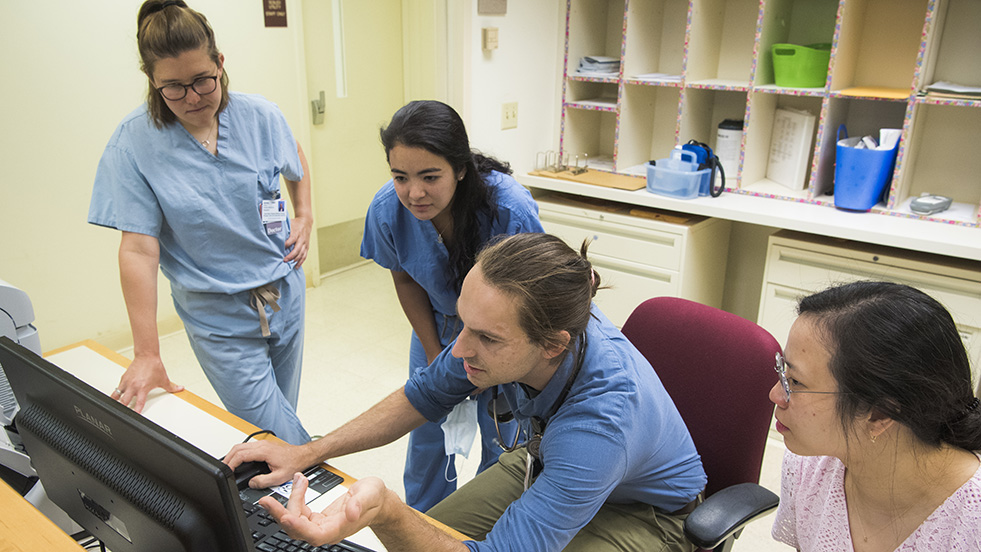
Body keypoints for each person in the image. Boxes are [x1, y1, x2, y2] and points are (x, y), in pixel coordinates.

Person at [225, 232, 707, 552]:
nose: (460, 350)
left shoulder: (600, 426)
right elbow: (420, 396)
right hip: (549, 459)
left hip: (649, 515)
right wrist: (307, 451)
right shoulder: (523, 325)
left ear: (552, 345)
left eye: (486, 338)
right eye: (464, 323)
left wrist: (388, 512)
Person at [87, 0, 312, 445]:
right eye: (173, 87)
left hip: (284, 291)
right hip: (216, 314)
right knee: (280, 437)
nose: (192, 97)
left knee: (276, 423)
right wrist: (147, 352)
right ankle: (332, 500)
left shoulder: (260, 115)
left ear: (220, 64)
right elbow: (138, 248)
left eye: (202, 81)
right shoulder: (133, 143)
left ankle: (276, 502)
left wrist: (303, 212)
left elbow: (294, 157)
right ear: (152, 80)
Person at [360, 100, 544, 510]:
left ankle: (486, 529)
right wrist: (432, 353)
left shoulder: (508, 209)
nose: (414, 193)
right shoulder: (388, 210)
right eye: (400, 177)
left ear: (460, 169)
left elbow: (531, 294)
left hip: (504, 333)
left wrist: (497, 362)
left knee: (504, 443)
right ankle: (426, 525)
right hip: (437, 324)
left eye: (430, 176)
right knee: (426, 435)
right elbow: (405, 278)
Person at [770, 281, 981, 551]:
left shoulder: (972, 523)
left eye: (795, 382)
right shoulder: (808, 468)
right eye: (782, 371)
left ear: (879, 414)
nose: (775, 394)